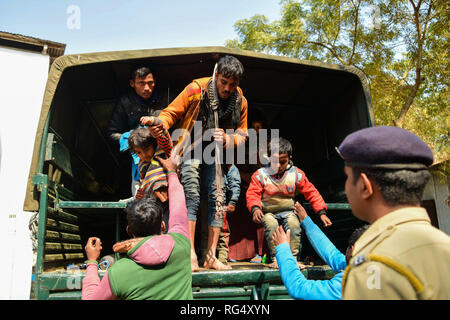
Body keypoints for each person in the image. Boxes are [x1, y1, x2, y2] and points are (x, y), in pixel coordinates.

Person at [157, 55, 248, 271]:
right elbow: (170, 113)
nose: (227, 88)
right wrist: (159, 123)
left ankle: (210, 257)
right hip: (190, 147)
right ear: (216, 76)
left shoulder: (241, 101)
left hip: (217, 153)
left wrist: (228, 139)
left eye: (232, 85)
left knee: (218, 198)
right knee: (192, 196)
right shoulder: (195, 89)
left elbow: (243, 134)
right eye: (223, 82)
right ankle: (189, 255)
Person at [337, 126, 450, 300]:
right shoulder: (444, 245)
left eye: (347, 177)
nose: (345, 186)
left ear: (364, 186)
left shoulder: (374, 265)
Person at [81, 156, 193, 300]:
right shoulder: (181, 244)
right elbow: (179, 207)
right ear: (163, 226)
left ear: (128, 230)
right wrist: (171, 172)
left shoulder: (118, 272)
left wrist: (91, 262)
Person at [246, 137, 332, 268]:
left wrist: (321, 212)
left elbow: (311, 192)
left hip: (289, 211)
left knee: (294, 224)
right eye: (275, 162)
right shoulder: (260, 175)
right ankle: (276, 258)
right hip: (268, 212)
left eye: (283, 162)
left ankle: (292, 258)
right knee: (270, 225)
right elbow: (252, 194)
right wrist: (255, 209)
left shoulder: (296, 174)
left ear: (290, 157)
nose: (279, 166)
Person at [272, 201, 369, 300]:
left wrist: (283, 248)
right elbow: (331, 253)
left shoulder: (348, 283)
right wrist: (306, 221)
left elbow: (299, 288)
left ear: (352, 249)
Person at [106, 66, 167, 196]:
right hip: (136, 163)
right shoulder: (125, 102)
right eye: (141, 83)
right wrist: (134, 138)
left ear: (155, 81)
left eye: (150, 83)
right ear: (132, 83)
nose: (147, 88)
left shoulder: (167, 98)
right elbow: (112, 133)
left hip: (164, 157)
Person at [128, 116, 173, 202]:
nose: (144, 155)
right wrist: (137, 201)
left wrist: (153, 122)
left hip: (169, 196)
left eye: (146, 149)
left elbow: (163, 135)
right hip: (152, 201)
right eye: (139, 152)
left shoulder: (162, 151)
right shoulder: (141, 164)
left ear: (154, 144)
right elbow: (142, 185)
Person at [217, 164, 241, 264]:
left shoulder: (229, 166)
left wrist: (232, 201)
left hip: (221, 204)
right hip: (207, 202)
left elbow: (235, 184)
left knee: (223, 231)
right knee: (206, 232)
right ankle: (206, 255)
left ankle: (222, 257)